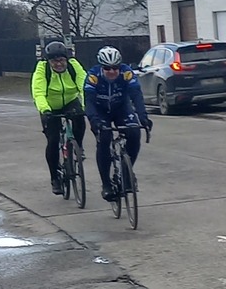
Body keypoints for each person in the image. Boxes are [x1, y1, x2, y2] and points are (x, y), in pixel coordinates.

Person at [83, 45, 151, 202]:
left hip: (121, 108)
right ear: (101, 67)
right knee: (104, 138)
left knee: (134, 133)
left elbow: (136, 95)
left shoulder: (126, 73)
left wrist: (143, 117)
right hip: (100, 111)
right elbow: (89, 102)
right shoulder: (93, 76)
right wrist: (94, 121)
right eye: (107, 68)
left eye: (115, 67)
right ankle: (106, 184)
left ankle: (127, 172)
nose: (112, 71)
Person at [30, 39, 90, 195]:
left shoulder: (73, 66)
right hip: (50, 105)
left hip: (70, 101)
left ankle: (78, 147)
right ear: (48, 61)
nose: (58, 64)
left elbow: (84, 87)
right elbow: (38, 92)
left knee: (79, 119)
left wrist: (86, 107)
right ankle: (55, 178)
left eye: (62, 60)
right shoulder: (42, 69)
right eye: (54, 61)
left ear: (66, 59)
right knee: (53, 140)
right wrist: (45, 110)